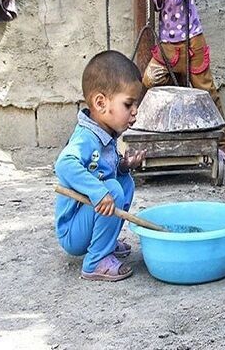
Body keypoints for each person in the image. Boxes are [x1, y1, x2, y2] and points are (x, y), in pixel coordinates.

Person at [142, 0, 225, 161]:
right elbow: (161, 2)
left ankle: (221, 146)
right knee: (150, 81)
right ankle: (171, 141)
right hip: (168, 45)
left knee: (207, 93)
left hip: (191, 42)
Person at [54, 50, 146, 281]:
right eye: (128, 104)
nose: (135, 112)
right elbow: (64, 164)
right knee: (112, 190)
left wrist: (123, 166)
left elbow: (104, 171)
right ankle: (95, 261)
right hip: (72, 231)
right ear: (100, 103)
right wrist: (98, 192)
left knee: (124, 183)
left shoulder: (106, 134)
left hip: (88, 220)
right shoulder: (86, 138)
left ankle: (104, 242)